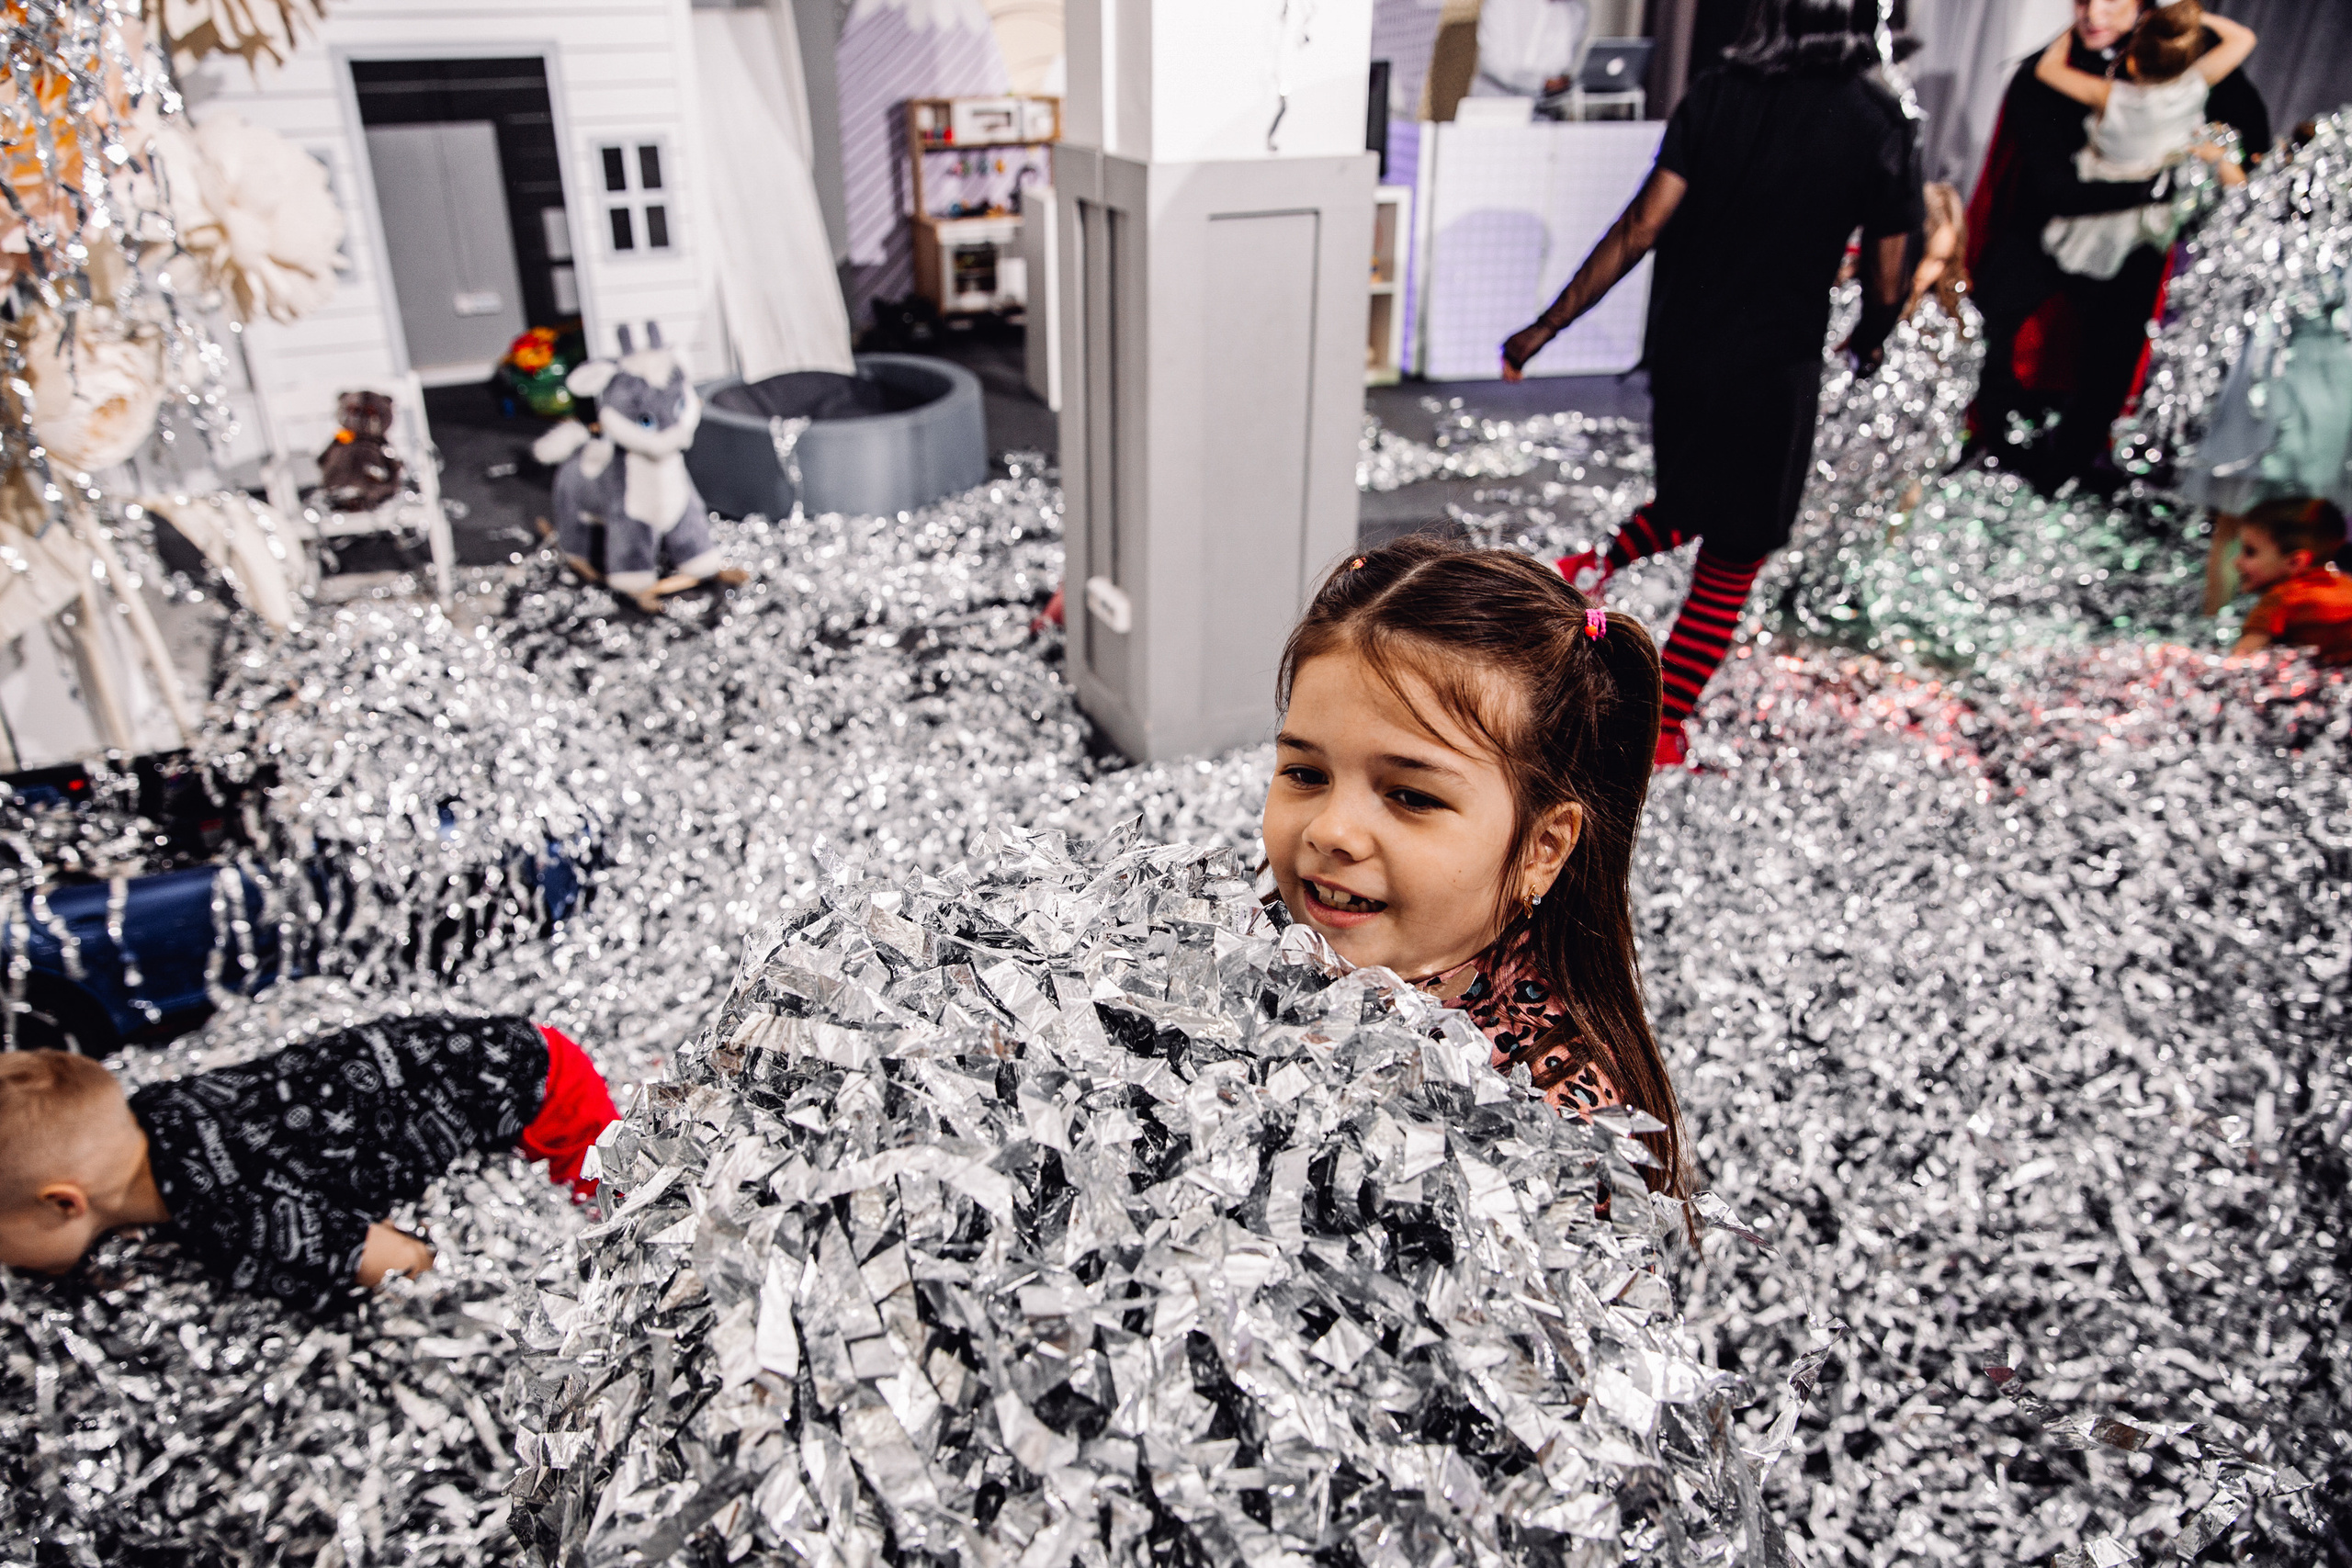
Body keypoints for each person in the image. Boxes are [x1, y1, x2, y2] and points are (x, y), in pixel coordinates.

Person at [1501, 0, 1923, 767]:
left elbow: (1641, 226)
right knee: (1737, 548)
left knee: (1695, 496)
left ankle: (1590, 567)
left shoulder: (1717, 91)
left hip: (1688, 350)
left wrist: (1544, 327)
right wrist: (1872, 337)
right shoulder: (1879, 117)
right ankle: (1662, 724)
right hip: (1775, 361)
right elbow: (1891, 271)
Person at [1260, 537, 1689, 1190]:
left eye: (1411, 795)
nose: (1331, 830)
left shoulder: (1555, 1126)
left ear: (1542, 849)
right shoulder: (1256, 926)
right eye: (1305, 772)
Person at [0, 1015, 618, 1314]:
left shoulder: (236, 1221)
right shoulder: (160, 1108)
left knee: (617, 1206)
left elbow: (405, 1258)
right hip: (483, 1046)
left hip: (542, 1091)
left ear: (64, 1202)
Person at [1965, 0, 2270, 493]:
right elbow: (2053, 184)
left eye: (2113, 2)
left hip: (2136, 241)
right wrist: (2156, 184)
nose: (2094, 13)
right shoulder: (2077, 80)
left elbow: (2249, 135)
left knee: (2111, 354)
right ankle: (1999, 440)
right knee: (1991, 321)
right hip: (2060, 223)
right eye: (2085, 1)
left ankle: (2065, 465)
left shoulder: (2171, 75)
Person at [2034, 3, 2254, 282]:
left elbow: (2047, 69)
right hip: (2157, 213)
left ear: (2132, 60)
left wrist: (2074, 29)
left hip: (2100, 206)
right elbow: (2244, 38)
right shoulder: (2197, 84)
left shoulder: (2109, 96)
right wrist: (2184, 19)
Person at [2228, 498, 2352, 665]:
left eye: (2250, 552)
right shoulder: (2345, 585)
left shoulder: (2281, 598)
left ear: (2295, 562)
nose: (2236, 562)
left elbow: (2240, 661)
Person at [1471, 0, 1589, 101]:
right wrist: (1540, 83)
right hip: (1494, 106)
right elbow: (1491, 62)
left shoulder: (1578, 10)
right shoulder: (1503, 3)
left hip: (1545, 111)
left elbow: (1568, 66)